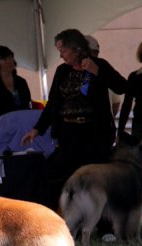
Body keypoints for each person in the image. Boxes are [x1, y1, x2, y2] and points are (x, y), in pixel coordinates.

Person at [21, 29, 126, 208]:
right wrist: (37, 129)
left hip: (95, 134)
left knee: (97, 178)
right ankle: (72, 220)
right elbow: (53, 103)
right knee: (69, 178)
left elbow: (122, 86)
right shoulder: (62, 71)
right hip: (69, 134)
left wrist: (97, 71)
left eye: (63, 50)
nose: (61, 56)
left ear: (76, 48)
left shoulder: (99, 64)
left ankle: (104, 227)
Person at [85, 35, 122, 116]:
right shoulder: (103, 68)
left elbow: (121, 88)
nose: (95, 58)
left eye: (96, 53)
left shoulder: (103, 67)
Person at [118, 41, 142, 140]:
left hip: (139, 122)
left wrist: (120, 130)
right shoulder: (134, 77)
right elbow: (126, 105)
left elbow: (127, 105)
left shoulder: (135, 76)